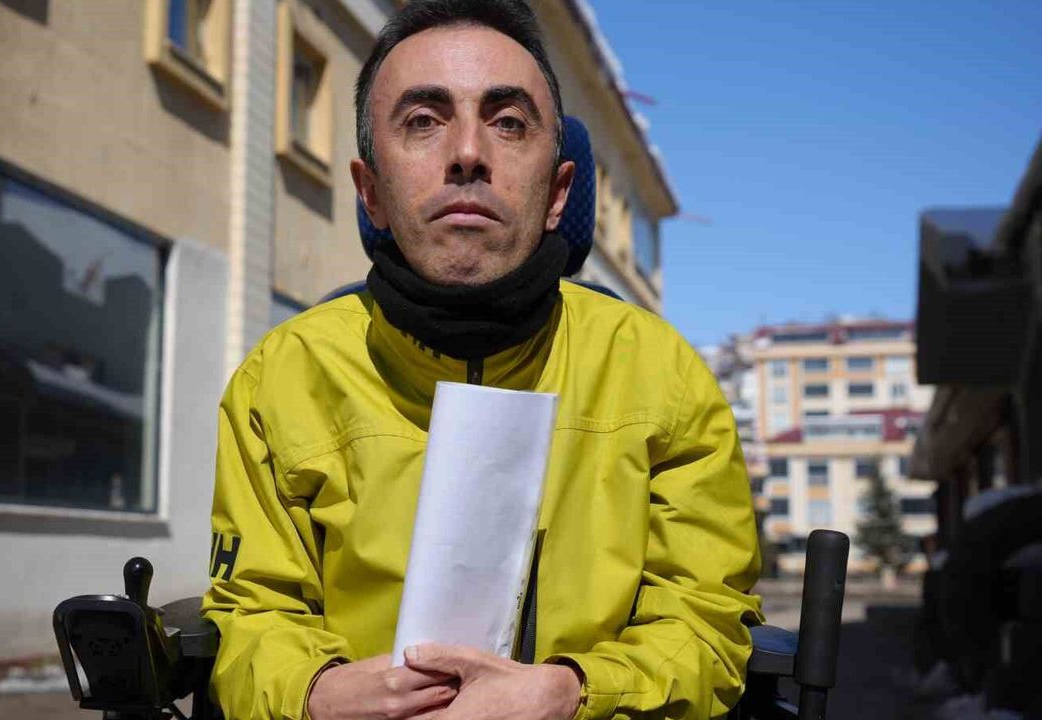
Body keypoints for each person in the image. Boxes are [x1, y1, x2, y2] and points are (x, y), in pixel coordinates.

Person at [201, 1, 762, 718]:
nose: (468, 152)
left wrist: (574, 694)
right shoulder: (281, 376)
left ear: (558, 192)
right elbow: (251, 614)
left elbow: (707, 622)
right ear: (370, 193)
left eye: (508, 123)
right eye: (423, 120)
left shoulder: (664, 374)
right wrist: (314, 694)